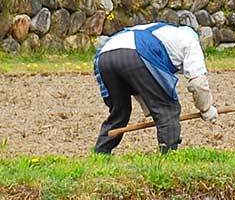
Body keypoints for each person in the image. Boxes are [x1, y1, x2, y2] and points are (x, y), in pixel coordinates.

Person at [92, 22, 216, 155]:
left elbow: (141, 83)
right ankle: (168, 156)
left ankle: (100, 153)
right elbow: (198, 83)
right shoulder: (190, 41)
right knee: (167, 109)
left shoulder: (164, 31)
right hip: (138, 52)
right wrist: (206, 108)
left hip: (105, 56)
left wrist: (151, 108)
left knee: (119, 112)